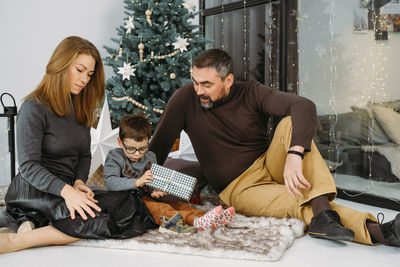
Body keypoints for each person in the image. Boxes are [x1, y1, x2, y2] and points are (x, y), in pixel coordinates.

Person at [149, 48, 400, 247]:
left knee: (292, 122)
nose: (198, 91)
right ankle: (381, 232)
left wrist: (293, 155)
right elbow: (157, 149)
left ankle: (324, 217)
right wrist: (140, 184)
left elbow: (304, 106)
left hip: (272, 163)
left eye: (207, 84)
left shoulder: (251, 92)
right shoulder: (184, 100)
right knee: (302, 202)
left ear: (228, 80)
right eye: (195, 82)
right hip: (241, 186)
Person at [0, 36, 157, 254]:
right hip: (34, 188)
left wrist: (79, 183)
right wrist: (67, 192)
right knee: (91, 216)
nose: (84, 79)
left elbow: (84, 155)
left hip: (66, 187)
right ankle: (17, 241)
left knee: (128, 204)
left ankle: (34, 224)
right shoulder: (33, 108)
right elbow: (29, 167)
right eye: (80, 70)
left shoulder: (80, 107)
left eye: (90, 74)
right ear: (61, 64)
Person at [103, 113, 235, 233]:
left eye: (142, 148)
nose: (137, 154)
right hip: (127, 202)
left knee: (177, 204)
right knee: (160, 209)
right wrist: (136, 182)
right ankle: (196, 221)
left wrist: (155, 190)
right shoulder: (115, 157)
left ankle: (208, 218)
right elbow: (110, 182)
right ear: (120, 142)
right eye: (131, 149)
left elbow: (152, 182)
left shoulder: (150, 157)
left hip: (146, 196)